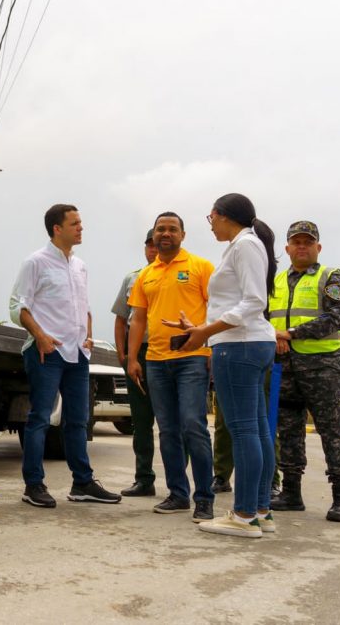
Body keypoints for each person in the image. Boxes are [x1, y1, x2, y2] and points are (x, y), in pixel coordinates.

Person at [166, 194, 278, 539]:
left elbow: (254, 301)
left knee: (244, 431)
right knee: (256, 430)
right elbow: (236, 302)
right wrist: (200, 327)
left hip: (239, 346)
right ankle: (260, 510)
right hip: (249, 342)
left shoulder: (244, 245)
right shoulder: (245, 245)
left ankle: (243, 516)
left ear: (221, 215)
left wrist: (206, 332)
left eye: (210, 218)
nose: (211, 225)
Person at [10, 204, 121, 508]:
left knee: (78, 420)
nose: (81, 228)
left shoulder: (80, 266)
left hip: (77, 353)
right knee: (40, 419)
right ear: (57, 229)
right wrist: (41, 337)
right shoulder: (35, 262)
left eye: (81, 222)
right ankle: (33, 485)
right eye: (75, 223)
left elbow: (84, 307)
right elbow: (17, 307)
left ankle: (82, 483)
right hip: (47, 352)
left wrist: (89, 336)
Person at [126, 212, 215, 521]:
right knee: (167, 430)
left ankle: (204, 498)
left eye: (172, 229)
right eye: (160, 229)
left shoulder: (200, 267)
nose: (166, 233)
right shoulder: (146, 274)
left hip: (193, 358)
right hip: (155, 361)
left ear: (183, 235)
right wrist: (132, 358)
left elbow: (216, 310)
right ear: (154, 235)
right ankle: (178, 494)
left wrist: (212, 348)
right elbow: (138, 319)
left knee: (193, 425)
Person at [268, 220, 340, 522]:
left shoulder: (331, 277)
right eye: (297, 242)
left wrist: (292, 334)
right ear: (287, 248)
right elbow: (264, 317)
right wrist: (275, 337)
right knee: (288, 432)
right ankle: (291, 493)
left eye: (308, 242)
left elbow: (337, 317)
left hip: (322, 367)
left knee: (333, 432)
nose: (302, 246)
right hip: (285, 367)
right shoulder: (276, 281)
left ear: (318, 247)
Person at [111, 228, 159, 497]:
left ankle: (179, 482)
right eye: (149, 245)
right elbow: (121, 319)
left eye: (157, 244)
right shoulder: (133, 278)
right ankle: (144, 479)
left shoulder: (181, 274)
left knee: (176, 422)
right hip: (138, 353)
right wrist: (124, 354)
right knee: (141, 421)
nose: (153, 249)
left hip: (168, 352)